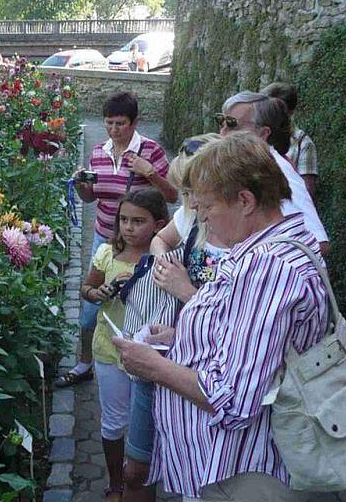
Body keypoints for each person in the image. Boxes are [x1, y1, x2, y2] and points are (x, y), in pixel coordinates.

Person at [114, 132, 329, 501]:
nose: (201, 220)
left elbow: (232, 401)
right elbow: (250, 338)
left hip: (239, 471)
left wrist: (153, 366)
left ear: (245, 200)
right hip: (227, 467)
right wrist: (180, 336)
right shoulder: (272, 247)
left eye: (207, 208)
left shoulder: (269, 269)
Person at [120, 133, 228, 502]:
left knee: (195, 476)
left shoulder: (250, 247)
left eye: (194, 190)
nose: (191, 202)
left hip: (199, 373)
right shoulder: (194, 214)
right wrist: (165, 261)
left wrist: (186, 292)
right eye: (186, 192)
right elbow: (161, 240)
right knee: (136, 468)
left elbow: (235, 324)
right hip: (172, 347)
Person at [55, 92, 176, 388]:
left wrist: (150, 173)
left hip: (144, 244)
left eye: (120, 123)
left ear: (135, 122)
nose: (113, 129)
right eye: (108, 123)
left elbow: (173, 196)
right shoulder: (99, 152)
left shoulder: (152, 151)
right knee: (90, 311)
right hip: (106, 239)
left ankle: (138, 369)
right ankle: (85, 363)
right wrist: (82, 186)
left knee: (138, 306)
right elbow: (92, 198)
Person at [82, 189, 168, 502]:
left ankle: (144, 479)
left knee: (147, 422)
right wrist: (97, 293)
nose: (129, 227)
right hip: (109, 347)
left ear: (158, 225)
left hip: (148, 354)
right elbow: (87, 288)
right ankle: (116, 482)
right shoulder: (107, 253)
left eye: (138, 221)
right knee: (113, 419)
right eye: (124, 220)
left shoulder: (164, 259)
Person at [214, 91, 329, 255]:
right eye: (221, 121)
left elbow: (318, 242)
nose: (223, 132)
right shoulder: (245, 166)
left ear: (262, 133)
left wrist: (265, 267)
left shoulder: (278, 171)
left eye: (232, 124)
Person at [261, 82, 318, 198]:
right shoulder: (256, 137)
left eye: (276, 111)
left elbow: (306, 193)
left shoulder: (303, 143)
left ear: (290, 113)